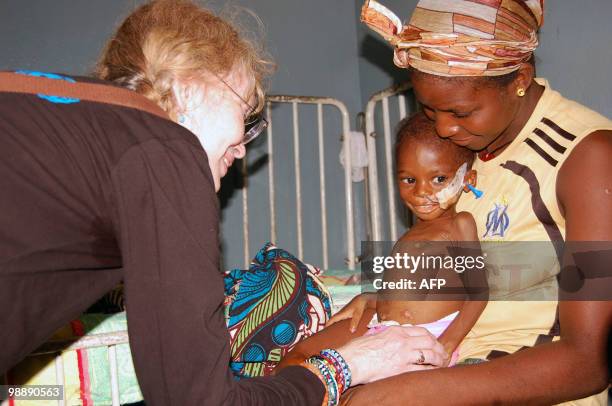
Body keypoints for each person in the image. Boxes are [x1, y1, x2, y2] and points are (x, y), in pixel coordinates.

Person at [0, 1, 449, 405]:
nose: (240, 150)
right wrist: (349, 365)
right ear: (191, 85)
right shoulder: (164, 148)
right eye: (244, 112)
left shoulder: (64, 111)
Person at [335, 0, 612, 404]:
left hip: (520, 379)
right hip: (439, 353)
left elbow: (588, 359)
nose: (443, 127)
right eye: (428, 107)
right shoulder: (464, 148)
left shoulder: (589, 159)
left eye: (460, 111)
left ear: (520, 79)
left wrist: (404, 393)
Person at [276, 113, 488, 371]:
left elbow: (479, 293)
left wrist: (447, 343)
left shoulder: (460, 224)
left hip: (421, 339)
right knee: (297, 359)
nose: (421, 191)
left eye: (438, 179)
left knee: (353, 389)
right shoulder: (412, 234)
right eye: (409, 180)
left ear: (468, 179)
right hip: (381, 326)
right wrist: (371, 297)